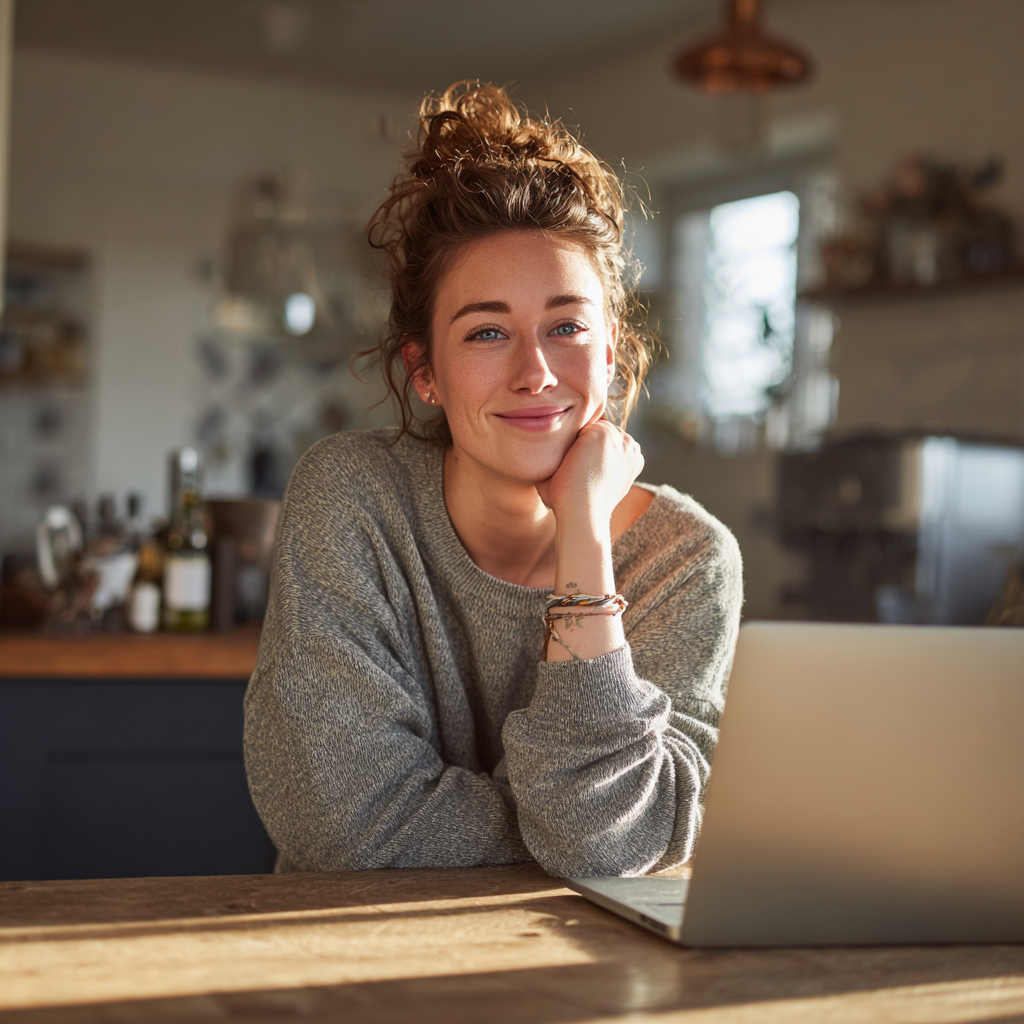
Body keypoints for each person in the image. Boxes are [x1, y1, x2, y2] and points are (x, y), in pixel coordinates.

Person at [243, 82, 743, 877]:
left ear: (610, 352)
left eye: (566, 326)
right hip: (345, 944)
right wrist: (555, 833)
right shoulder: (352, 496)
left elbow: (613, 843)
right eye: (486, 332)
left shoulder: (686, 560)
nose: (535, 371)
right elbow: (342, 829)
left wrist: (584, 533)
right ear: (425, 372)